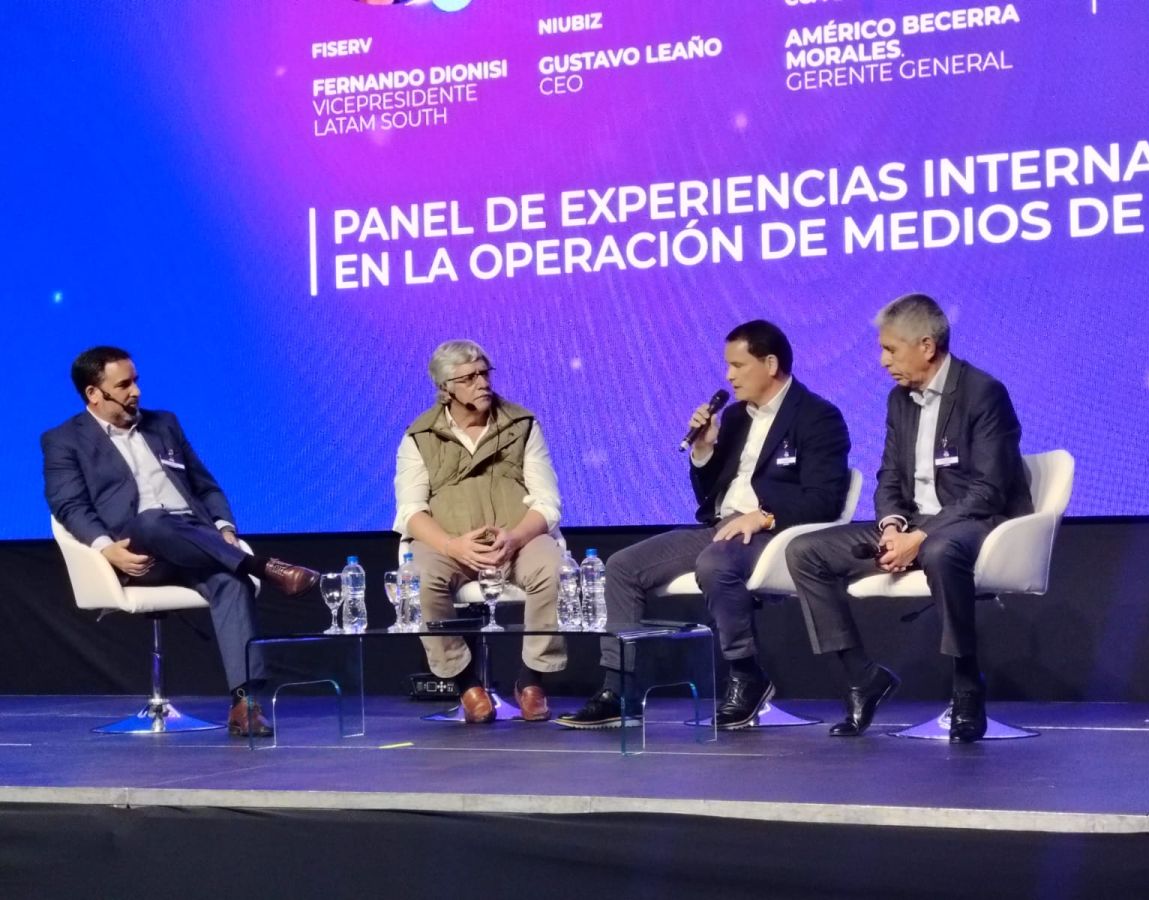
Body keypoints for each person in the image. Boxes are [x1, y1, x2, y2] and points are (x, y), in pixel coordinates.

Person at [558, 320, 851, 731]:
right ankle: (621, 689)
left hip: (775, 532)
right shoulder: (734, 417)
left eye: (738, 365)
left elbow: (825, 499)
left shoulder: (817, 416)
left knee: (715, 563)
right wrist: (704, 449)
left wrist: (765, 515)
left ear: (770, 364)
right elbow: (710, 496)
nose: (729, 376)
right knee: (623, 566)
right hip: (722, 527)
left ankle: (747, 675)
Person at [786, 294, 1033, 743]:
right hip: (915, 524)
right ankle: (863, 678)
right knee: (805, 552)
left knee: (940, 551)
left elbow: (988, 490)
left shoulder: (983, 393)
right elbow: (889, 477)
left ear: (926, 346)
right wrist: (892, 526)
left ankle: (967, 685)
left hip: (976, 520)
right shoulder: (899, 400)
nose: (883, 361)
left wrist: (918, 538)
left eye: (890, 349)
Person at [42, 346, 320, 738]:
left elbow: (206, 487)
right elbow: (69, 505)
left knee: (232, 582)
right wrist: (106, 548)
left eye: (136, 380)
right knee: (154, 520)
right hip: (136, 548)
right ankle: (263, 567)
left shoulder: (164, 424)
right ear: (94, 393)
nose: (136, 391)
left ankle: (245, 704)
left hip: (195, 541)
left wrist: (224, 527)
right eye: (124, 385)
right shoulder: (63, 440)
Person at [394, 340, 566, 724]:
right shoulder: (419, 436)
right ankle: (466, 683)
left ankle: (532, 680)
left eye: (485, 373)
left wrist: (515, 538)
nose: (483, 383)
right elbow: (410, 511)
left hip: (515, 541)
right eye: (469, 378)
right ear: (446, 389)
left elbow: (547, 502)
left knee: (553, 569)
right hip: (450, 544)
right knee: (418, 578)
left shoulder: (521, 425)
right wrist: (451, 545)